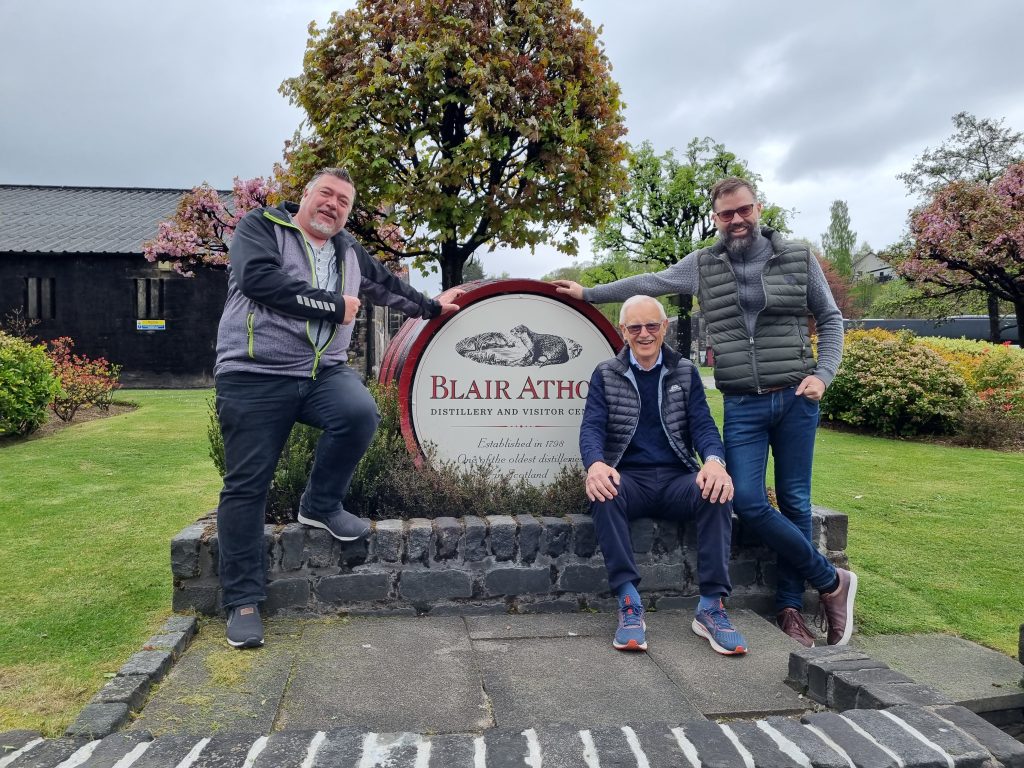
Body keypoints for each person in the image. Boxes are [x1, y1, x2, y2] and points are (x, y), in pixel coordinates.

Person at [554, 177, 856, 648]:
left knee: (795, 501)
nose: (736, 220)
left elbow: (831, 317)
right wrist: (589, 294)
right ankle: (830, 579)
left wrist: (825, 373)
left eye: (744, 210)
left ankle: (790, 606)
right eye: (726, 214)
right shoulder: (703, 265)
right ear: (716, 218)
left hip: (797, 395)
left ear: (758, 208)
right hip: (742, 401)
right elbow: (650, 282)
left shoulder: (798, 257)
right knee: (748, 500)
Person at [213, 167, 460, 649]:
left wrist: (434, 307)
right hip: (254, 373)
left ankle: (320, 505)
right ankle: (243, 600)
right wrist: (332, 306)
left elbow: (390, 287)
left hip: (322, 372)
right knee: (247, 485)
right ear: (305, 195)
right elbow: (259, 280)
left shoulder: (348, 250)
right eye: (326, 194)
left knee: (359, 413)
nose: (333, 204)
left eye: (343, 201)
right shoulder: (261, 227)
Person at [582, 295, 747, 655]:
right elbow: (592, 427)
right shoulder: (606, 373)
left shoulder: (684, 371)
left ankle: (711, 607)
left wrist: (714, 461)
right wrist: (595, 464)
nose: (644, 334)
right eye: (635, 327)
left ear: (664, 328)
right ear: (623, 331)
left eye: (651, 326)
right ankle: (629, 602)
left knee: (717, 491)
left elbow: (703, 426)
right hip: (629, 478)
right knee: (603, 492)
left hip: (676, 478)